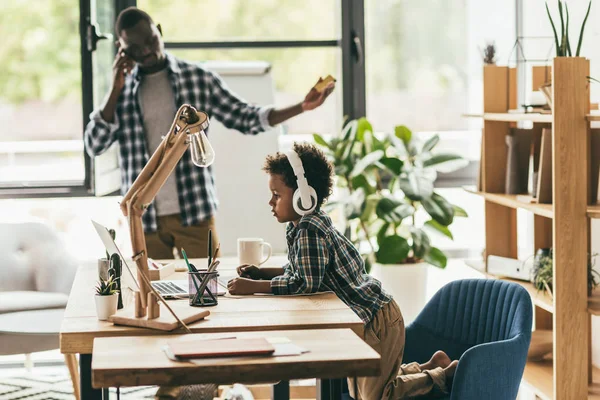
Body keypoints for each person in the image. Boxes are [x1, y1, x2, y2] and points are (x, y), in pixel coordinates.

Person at [84, 7, 335, 259]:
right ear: (122, 49)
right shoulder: (121, 93)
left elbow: (246, 116)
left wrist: (301, 107)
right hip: (143, 219)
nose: (147, 50)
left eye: (150, 40)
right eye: (136, 48)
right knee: (152, 293)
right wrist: (115, 88)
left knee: (206, 291)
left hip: (194, 211)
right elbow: (94, 144)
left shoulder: (198, 79)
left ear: (159, 32)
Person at [227, 142, 459, 399]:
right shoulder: (299, 225)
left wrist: (255, 288)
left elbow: (305, 283)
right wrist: (262, 274)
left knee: (377, 396)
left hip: (375, 320)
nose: (270, 201)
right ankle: (430, 366)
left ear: (304, 196)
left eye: (276, 195)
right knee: (363, 391)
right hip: (366, 318)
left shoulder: (309, 230)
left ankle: (443, 375)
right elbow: (299, 269)